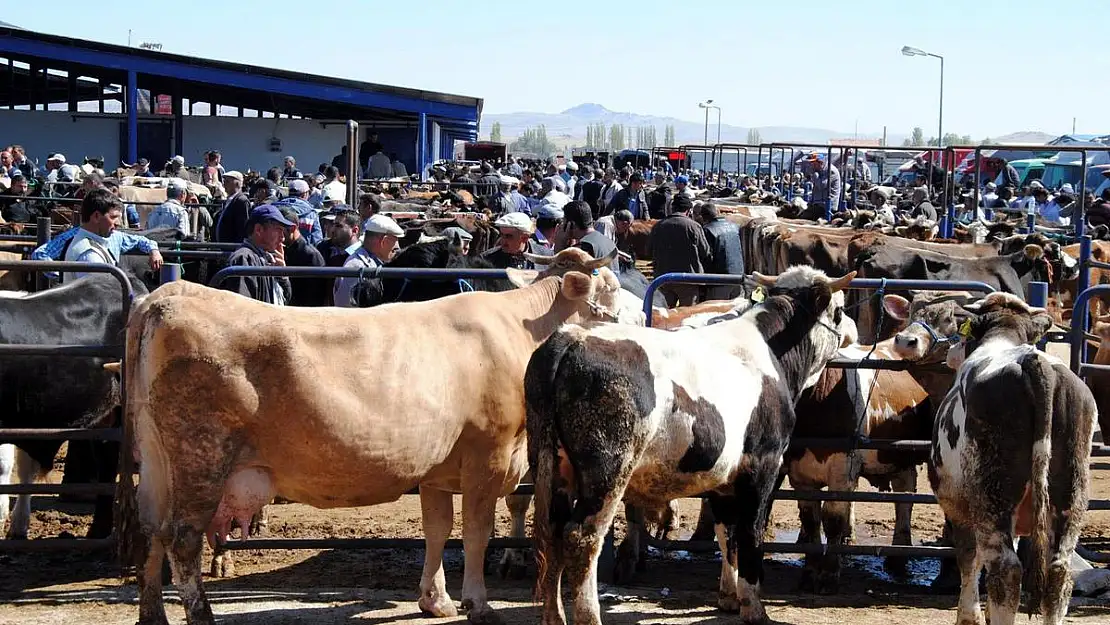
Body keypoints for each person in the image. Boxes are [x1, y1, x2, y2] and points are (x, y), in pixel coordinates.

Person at [62, 188, 164, 282]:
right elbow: (100, 295)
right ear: (96, 216)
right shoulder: (89, 255)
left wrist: (153, 250)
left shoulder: (110, 236)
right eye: (113, 217)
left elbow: (138, 240)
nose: (118, 223)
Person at [221, 205, 294, 305]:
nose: (282, 238)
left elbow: (285, 299)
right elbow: (242, 309)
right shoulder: (244, 259)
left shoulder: (266, 258)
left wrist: (282, 275)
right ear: (259, 230)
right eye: (278, 230)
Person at [650, 194, 711, 307]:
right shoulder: (694, 226)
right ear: (688, 210)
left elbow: (648, 251)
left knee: (664, 313)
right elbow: (705, 252)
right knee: (688, 315)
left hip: (663, 279)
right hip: (688, 279)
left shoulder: (658, 226)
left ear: (672, 209)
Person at [334, 214, 405, 308]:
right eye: (394, 249)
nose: (397, 250)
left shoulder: (368, 263)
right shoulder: (356, 267)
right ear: (384, 241)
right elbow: (346, 309)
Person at [276, 205, 328, 306]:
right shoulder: (282, 250)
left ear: (292, 229)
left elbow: (315, 299)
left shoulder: (311, 256)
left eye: (279, 229)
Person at [694, 202, 745, 300]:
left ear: (703, 217)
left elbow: (706, 256)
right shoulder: (734, 227)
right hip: (738, 275)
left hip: (719, 278)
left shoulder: (707, 230)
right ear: (717, 212)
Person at [562, 201, 618, 272]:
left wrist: (560, 243)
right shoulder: (609, 242)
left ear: (572, 224)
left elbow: (563, 275)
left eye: (564, 221)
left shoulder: (582, 248)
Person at [481, 212, 546, 269]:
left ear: (524, 238)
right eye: (501, 235)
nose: (502, 241)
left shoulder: (546, 256)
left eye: (508, 236)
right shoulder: (487, 259)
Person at [276, 179, 323, 245]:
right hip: (304, 253)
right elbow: (317, 241)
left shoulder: (275, 209)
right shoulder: (311, 214)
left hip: (277, 252)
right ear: (305, 194)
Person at [215, 171, 252, 243]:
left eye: (227, 181)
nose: (224, 184)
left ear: (237, 184)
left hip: (232, 249)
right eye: (224, 181)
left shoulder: (241, 201)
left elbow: (243, 229)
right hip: (223, 247)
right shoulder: (229, 200)